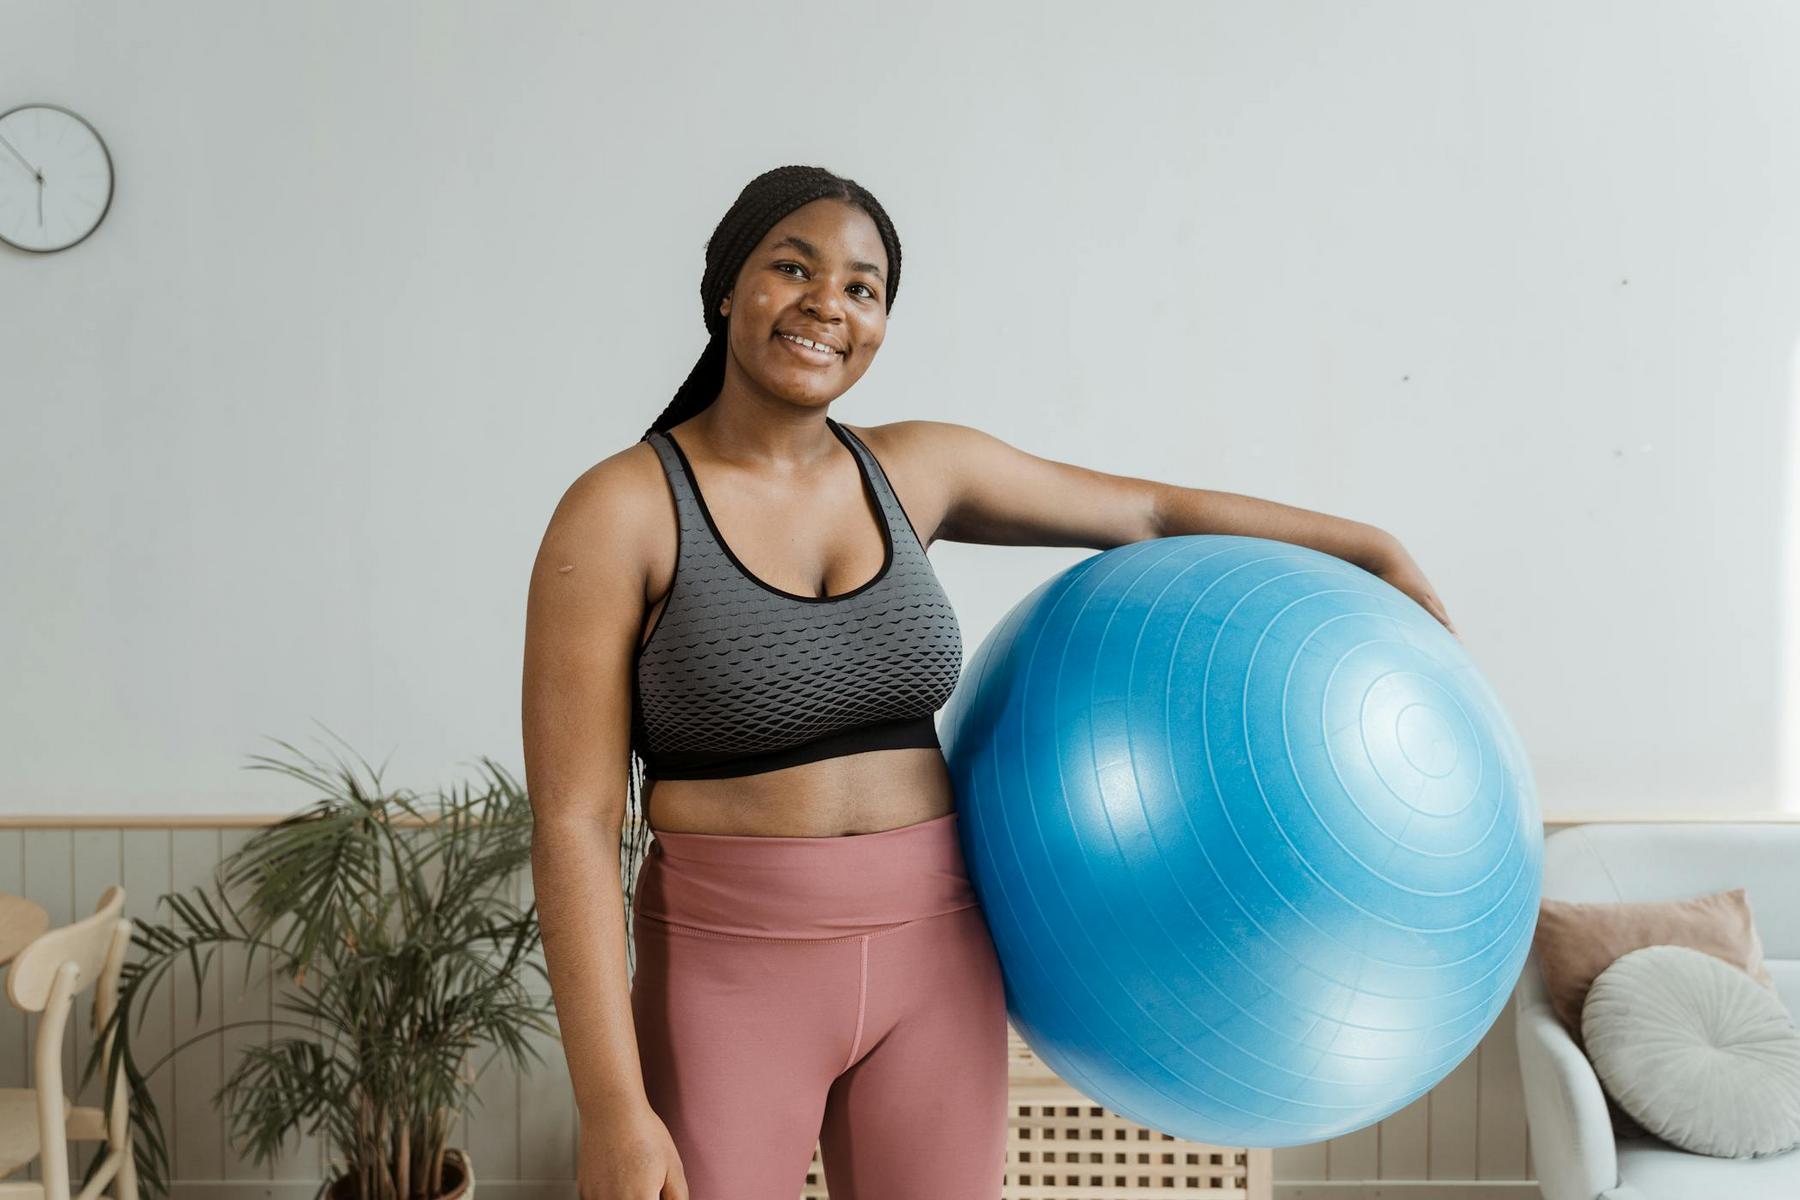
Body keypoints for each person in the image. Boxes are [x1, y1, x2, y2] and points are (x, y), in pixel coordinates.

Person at [520, 164, 1457, 1200]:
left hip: (937, 955)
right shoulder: (621, 510)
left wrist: (1368, 548)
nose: (828, 303)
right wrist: (614, 1108)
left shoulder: (916, 470)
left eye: (863, 288)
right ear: (726, 288)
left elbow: (1145, 513)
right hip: (728, 972)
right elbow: (573, 820)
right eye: (793, 267)